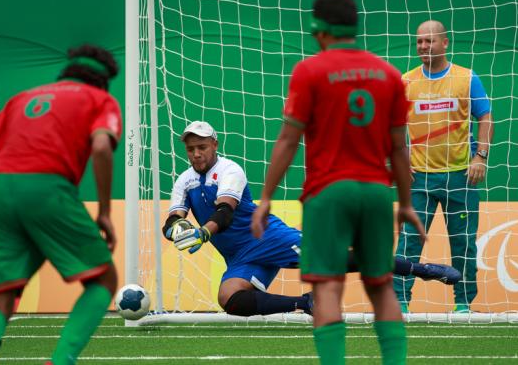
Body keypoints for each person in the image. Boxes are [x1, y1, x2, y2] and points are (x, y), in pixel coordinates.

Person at [251, 0, 425, 365]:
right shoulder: (390, 74)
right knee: (381, 289)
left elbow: (288, 139)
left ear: (318, 30)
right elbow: (398, 148)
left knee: (328, 288)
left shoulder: (309, 71)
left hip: (328, 193)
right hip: (377, 192)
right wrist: (406, 203)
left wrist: (266, 197)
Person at [166, 121, 456, 318]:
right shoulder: (184, 181)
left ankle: (420, 269)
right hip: (240, 256)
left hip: (267, 236)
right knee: (229, 299)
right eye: (190, 148)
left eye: (201, 146)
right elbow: (172, 220)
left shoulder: (231, 171)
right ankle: (305, 303)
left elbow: (225, 213)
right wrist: (177, 229)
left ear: (214, 144)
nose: (196, 153)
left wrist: (203, 232)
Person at [0, 44, 121, 365]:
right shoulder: (100, 100)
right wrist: (105, 212)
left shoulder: (20, 99)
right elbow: (101, 149)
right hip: (48, 188)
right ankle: (61, 361)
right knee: (104, 279)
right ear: (104, 80)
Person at [394, 20, 494, 314]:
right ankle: (400, 303)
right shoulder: (406, 81)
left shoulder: (466, 78)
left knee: (464, 243)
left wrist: (481, 156)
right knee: (409, 243)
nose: (424, 47)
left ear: (445, 42)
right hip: (418, 179)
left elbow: (485, 117)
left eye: (430, 41)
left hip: (460, 176)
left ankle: (463, 304)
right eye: (420, 42)